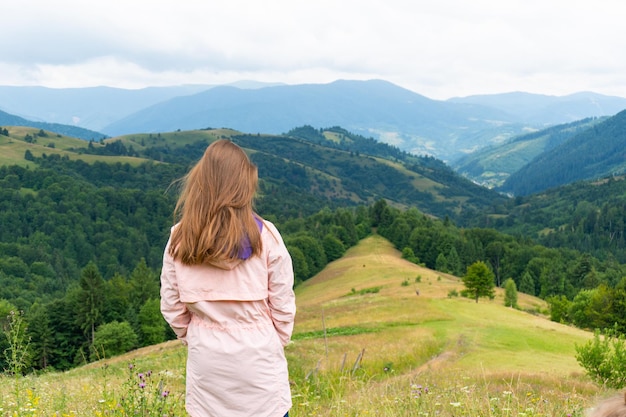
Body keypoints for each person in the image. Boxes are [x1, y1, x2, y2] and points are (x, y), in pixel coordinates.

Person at [160, 139, 296, 417]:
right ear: (243, 186)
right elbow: (283, 306)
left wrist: (198, 336)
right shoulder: (267, 236)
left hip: (208, 367)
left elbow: (171, 307)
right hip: (260, 368)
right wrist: (269, 341)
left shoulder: (179, 238)